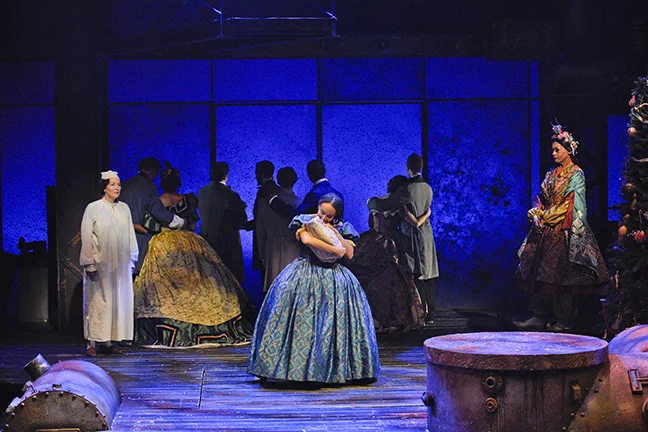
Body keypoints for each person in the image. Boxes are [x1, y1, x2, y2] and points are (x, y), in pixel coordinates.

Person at [248, 194, 380, 385]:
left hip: (335, 277)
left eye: (329, 215)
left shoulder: (343, 228)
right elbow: (307, 240)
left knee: (333, 324)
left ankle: (337, 369)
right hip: (306, 271)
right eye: (321, 212)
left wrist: (335, 234)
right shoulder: (305, 220)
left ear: (336, 215)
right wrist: (335, 250)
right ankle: (288, 368)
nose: (323, 217)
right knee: (298, 320)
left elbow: (350, 254)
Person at [134, 163, 256, 347]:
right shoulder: (187, 201)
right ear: (178, 183)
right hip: (188, 242)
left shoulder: (156, 202)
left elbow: (150, 226)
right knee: (200, 281)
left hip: (162, 244)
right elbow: (191, 226)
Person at [515, 124, 609, 332]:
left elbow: (572, 203)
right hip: (545, 229)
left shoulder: (576, 174)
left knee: (561, 276)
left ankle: (564, 319)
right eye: (553, 150)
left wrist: (547, 216)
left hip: (564, 229)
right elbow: (541, 198)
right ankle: (538, 315)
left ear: (569, 150)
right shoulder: (551, 174)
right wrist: (536, 213)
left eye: (557, 149)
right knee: (538, 272)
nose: (554, 153)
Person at [367, 153, 439, 323]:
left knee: (417, 273)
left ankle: (421, 313)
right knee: (429, 274)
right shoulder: (428, 188)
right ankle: (431, 313)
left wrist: (371, 202)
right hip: (427, 234)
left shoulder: (406, 189)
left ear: (408, 168)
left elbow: (386, 205)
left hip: (411, 235)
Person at [351, 175, 427, 332]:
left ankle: (373, 316)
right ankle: (392, 317)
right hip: (390, 242)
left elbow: (371, 223)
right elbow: (415, 223)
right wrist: (427, 214)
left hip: (372, 240)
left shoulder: (376, 202)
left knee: (372, 279)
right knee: (394, 278)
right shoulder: (399, 206)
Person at [79, 170, 138, 357]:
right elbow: (86, 237)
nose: (117, 187)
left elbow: (130, 235)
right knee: (97, 302)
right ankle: (91, 342)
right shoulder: (93, 208)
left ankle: (109, 342)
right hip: (100, 264)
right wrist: (89, 263)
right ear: (104, 187)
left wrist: (131, 259)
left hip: (120, 265)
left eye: (119, 184)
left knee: (116, 302)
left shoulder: (124, 209)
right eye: (113, 184)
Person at [120, 157, 185, 274]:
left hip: (121, 237)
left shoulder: (125, 185)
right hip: (140, 238)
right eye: (155, 172)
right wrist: (180, 222)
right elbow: (158, 212)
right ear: (151, 170)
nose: (155, 176)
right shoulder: (149, 187)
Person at [198, 162, 249, 282]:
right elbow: (242, 221)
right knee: (229, 281)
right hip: (228, 245)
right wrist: (242, 207)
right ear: (226, 176)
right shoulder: (231, 195)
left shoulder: (201, 192)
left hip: (207, 241)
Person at [256, 166, 301, 292]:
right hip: (294, 250)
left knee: (273, 291)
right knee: (292, 291)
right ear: (295, 181)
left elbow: (260, 232)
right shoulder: (298, 203)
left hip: (271, 250)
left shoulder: (264, 203)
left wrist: (262, 255)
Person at [269, 159, 343, 217]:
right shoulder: (338, 194)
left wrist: (276, 201)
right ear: (324, 171)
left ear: (309, 175)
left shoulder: (313, 194)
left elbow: (297, 215)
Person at [249, 161, 280, 283]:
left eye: (257, 173)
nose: (255, 177)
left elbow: (261, 217)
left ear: (262, 174)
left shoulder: (264, 191)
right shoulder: (275, 189)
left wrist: (247, 225)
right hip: (272, 237)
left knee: (266, 276)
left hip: (265, 237)